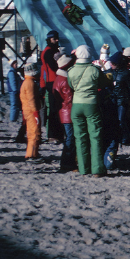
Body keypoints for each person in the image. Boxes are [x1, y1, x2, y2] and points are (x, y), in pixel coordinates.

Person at [68, 45, 110, 177]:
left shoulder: (71, 70)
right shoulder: (94, 70)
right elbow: (103, 83)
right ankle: (97, 169)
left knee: (80, 138)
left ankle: (83, 168)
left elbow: (71, 85)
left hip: (76, 105)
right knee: (95, 137)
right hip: (91, 104)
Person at [52, 54, 76, 172]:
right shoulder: (65, 81)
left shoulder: (58, 78)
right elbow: (69, 98)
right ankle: (68, 163)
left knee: (69, 138)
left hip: (63, 113)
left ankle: (67, 163)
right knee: (70, 139)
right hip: (69, 113)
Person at [40, 31, 61, 142]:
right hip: (52, 82)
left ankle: (57, 133)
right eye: (54, 39)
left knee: (56, 108)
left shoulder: (52, 50)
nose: (56, 40)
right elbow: (53, 67)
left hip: (54, 81)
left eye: (57, 38)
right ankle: (52, 135)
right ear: (49, 39)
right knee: (53, 109)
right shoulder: (48, 52)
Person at [20, 62, 43, 164]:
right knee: (34, 133)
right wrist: (36, 112)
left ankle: (32, 153)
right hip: (31, 111)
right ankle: (32, 155)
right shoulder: (30, 84)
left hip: (27, 111)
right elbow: (32, 99)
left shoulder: (26, 82)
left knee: (31, 133)